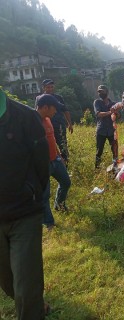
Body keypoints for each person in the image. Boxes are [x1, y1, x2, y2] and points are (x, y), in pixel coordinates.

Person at [0, 89, 50, 319]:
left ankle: (33, 309)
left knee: (26, 284)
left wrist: (30, 191)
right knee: (8, 281)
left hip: (23, 213)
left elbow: (42, 165)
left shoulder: (25, 118)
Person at [36, 94, 71, 228]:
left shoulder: (48, 119)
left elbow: (52, 139)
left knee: (66, 182)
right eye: (54, 108)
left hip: (54, 160)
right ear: (45, 107)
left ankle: (59, 205)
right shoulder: (31, 123)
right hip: (42, 164)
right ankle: (48, 223)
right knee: (44, 195)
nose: (56, 111)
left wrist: (58, 155)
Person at [35, 79, 73, 165]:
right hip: (46, 126)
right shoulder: (39, 99)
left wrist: (69, 123)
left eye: (52, 87)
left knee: (63, 145)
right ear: (44, 88)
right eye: (48, 87)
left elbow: (65, 110)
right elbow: (37, 112)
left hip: (59, 125)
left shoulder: (58, 98)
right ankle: (50, 164)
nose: (50, 89)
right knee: (48, 145)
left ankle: (65, 164)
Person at [94, 85, 120, 169]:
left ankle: (116, 167)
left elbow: (119, 116)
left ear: (107, 92)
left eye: (102, 91)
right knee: (99, 151)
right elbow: (98, 114)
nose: (101, 93)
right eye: (99, 92)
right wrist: (110, 112)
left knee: (115, 150)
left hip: (112, 131)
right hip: (101, 130)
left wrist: (116, 112)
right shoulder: (97, 102)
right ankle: (97, 168)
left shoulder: (113, 104)